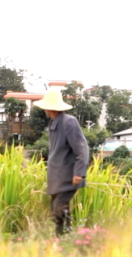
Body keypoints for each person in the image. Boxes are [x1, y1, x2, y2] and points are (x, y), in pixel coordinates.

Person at [36, 88, 91, 237]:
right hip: (57, 176)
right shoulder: (53, 123)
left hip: (69, 176)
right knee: (56, 209)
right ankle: (62, 239)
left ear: (49, 108)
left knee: (59, 206)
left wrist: (79, 173)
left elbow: (82, 148)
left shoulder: (69, 122)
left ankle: (65, 237)